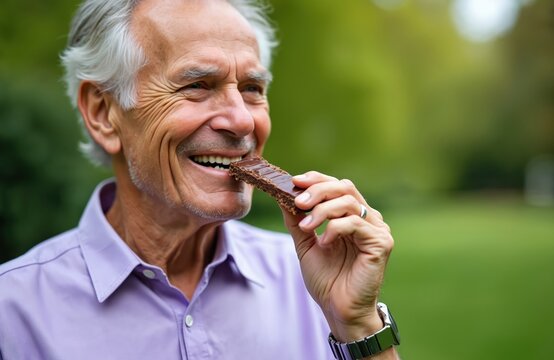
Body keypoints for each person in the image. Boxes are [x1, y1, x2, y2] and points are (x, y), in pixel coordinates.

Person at [0, 0, 400, 359]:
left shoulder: (311, 278)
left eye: (252, 88)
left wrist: (359, 326)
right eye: (197, 86)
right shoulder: (13, 315)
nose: (242, 119)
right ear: (104, 113)